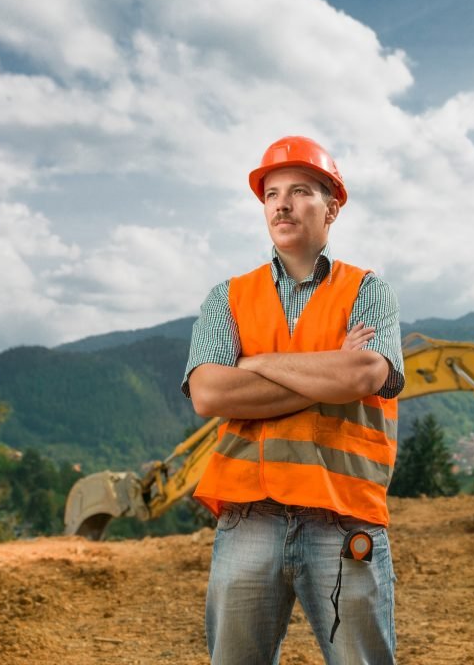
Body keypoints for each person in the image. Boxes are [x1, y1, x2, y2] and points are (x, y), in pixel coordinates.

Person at [181, 135, 405, 665]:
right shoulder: (227, 297)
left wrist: (253, 364)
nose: (281, 203)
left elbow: (365, 373)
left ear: (331, 208)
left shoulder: (369, 291)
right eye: (271, 193)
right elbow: (209, 391)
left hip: (343, 518)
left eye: (300, 190)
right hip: (248, 519)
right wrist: (326, 367)